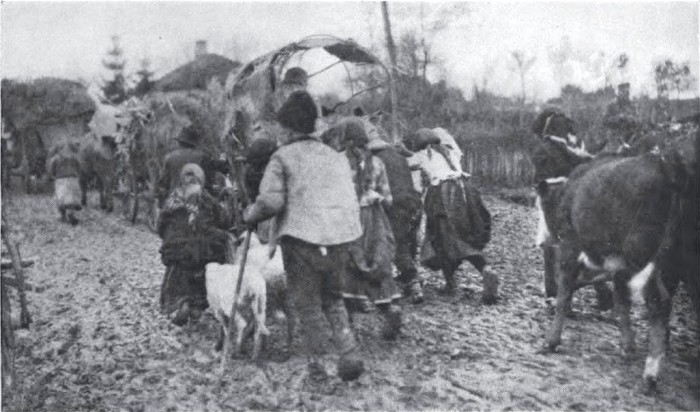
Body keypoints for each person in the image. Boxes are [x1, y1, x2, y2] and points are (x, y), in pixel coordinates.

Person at [243, 91, 365, 382]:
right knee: (333, 299)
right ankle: (348, 351)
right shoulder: (335, 157)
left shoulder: (281, 157)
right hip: (339, 239)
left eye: (280, 128)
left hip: (302, 242)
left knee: (307, 303)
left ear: (286, 128)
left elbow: (271, 203)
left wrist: (250, 215)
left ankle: (317, 365)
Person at [324, 118, 403, 339]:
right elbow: (388, 200)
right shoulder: (377, 163)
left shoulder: (336, 162)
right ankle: (390, 309)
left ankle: (347, 324)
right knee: (377, 262)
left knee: (345, 266)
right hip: (375, 219)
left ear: (346, 142)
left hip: (348, 219)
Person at [406, 128, 499, 304]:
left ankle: (458, 279)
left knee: (443, 238)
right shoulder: (451, 151)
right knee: (460, 235)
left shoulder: (423, 154)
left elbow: (408, 163)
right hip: (464, 193)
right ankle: (482, 270)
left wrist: (401, 152)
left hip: (443, 195)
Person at [157, 163, 232, 326]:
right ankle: (197, 306)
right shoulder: (206, 198)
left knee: (177, 273)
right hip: (202, 253)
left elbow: (160, 224)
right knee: (205, 266)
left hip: (176, 251)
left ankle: (182, 303)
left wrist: (167, 239)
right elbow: (224, 220)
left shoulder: (173, 198)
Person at [363, 123, 425, 304]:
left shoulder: (372, 160)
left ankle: (412, 284)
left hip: (394, 206)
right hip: (413, 203)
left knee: (395, 247)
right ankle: (409, 281)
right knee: (407, 243)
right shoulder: (397, 155)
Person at [156, 125, 228, 206]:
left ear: (180, 142)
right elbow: (209, 180)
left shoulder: (169, 157)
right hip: (196, 202)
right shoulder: (202, 156)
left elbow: (163, 184)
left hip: (174, 202)